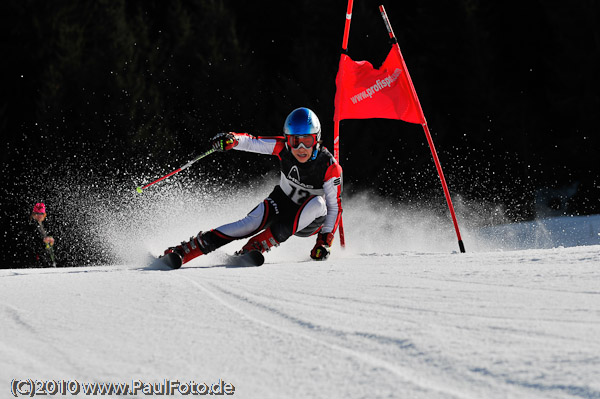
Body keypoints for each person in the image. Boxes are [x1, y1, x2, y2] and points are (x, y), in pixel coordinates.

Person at [163, 107, 343, 265]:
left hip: (309, 221)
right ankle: (186, 250)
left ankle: (258, 244)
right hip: (282, 202)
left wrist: (324, 241)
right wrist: (232, 140)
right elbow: (252, 141)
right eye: (295, 141)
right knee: (248, 224)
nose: (301, 148)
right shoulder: (282, 148)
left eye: (307, 141)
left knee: (319, 203)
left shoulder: (329, 166)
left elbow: (334, 207)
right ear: (288, 140)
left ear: (316, 140)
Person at [25, 203, 57, 267]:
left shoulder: (42, 223)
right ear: (34, 214)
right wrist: (43, 239)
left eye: (41, 214)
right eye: (37, 213)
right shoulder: (32, 224)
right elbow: (32, 239)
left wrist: (50, 239)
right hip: (34, 255)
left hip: (42, 254)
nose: (39, 216)